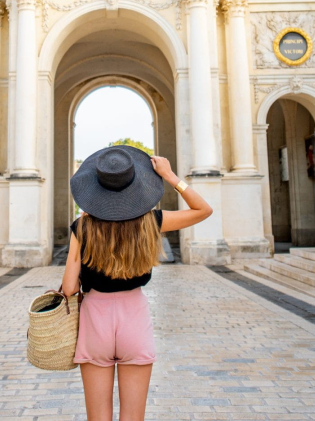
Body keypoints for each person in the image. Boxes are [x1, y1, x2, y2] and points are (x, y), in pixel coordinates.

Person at [61, 145, 212, 421]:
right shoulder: (150, 221)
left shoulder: (82, 226)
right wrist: (170, 176)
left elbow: (69, 288)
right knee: (133, 417)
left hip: (95, 321)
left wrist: (77, 235)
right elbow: (203, 210)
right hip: (134, 317)